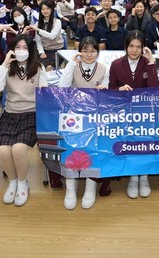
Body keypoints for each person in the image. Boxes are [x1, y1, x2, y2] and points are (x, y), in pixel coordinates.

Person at [0, 34, 48, 206]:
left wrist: (43, 90)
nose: (21, 51)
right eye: (18, 47)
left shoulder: (38, 68)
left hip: (31, 113)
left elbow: (45, 91)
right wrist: (4, 64)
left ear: (31, 50)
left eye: (25, 48)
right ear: (12, 50)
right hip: (10, 113)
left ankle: (23, 183)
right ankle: (13, 181)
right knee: (3, 150)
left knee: (18, 149)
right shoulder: (7, 67)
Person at [58, 36, 111, 209]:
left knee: (94, 147)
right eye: (85, 51)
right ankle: (70, 187)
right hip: (73, 116)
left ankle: (90, 187)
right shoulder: (74, 66)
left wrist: (104, 88)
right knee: (70, 147)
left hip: (95, 116)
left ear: (98, 52)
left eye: (93, 51)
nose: (89, 54)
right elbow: (62, 87)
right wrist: (71, 65)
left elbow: (106, 92)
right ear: (79, 51)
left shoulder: (103, 68)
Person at [109, 30, 159, 199]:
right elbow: (111, 88)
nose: (134, 50)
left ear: (143, 48)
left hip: (144, 111)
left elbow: (154, 87)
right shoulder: (116, 64)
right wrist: (119, 89)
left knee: (144, 143)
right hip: (124, 111)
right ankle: (133, 177)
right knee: (129, 143)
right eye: (131, 46)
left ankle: (144, 177)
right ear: (126, 46)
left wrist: (151, 62)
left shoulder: (147, 63)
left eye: (138, 47)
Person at [27, 1, 64, 71]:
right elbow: (38, 41)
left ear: (51, 10)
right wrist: (41, 52)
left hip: (57, 50)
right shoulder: (38, 24)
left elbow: (52, 36)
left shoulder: (57, 22)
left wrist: (38, 30)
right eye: (43, 9)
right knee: (38, 67)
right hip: (44, 49)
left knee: (48, 67)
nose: (45, 11)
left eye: (47, 8)